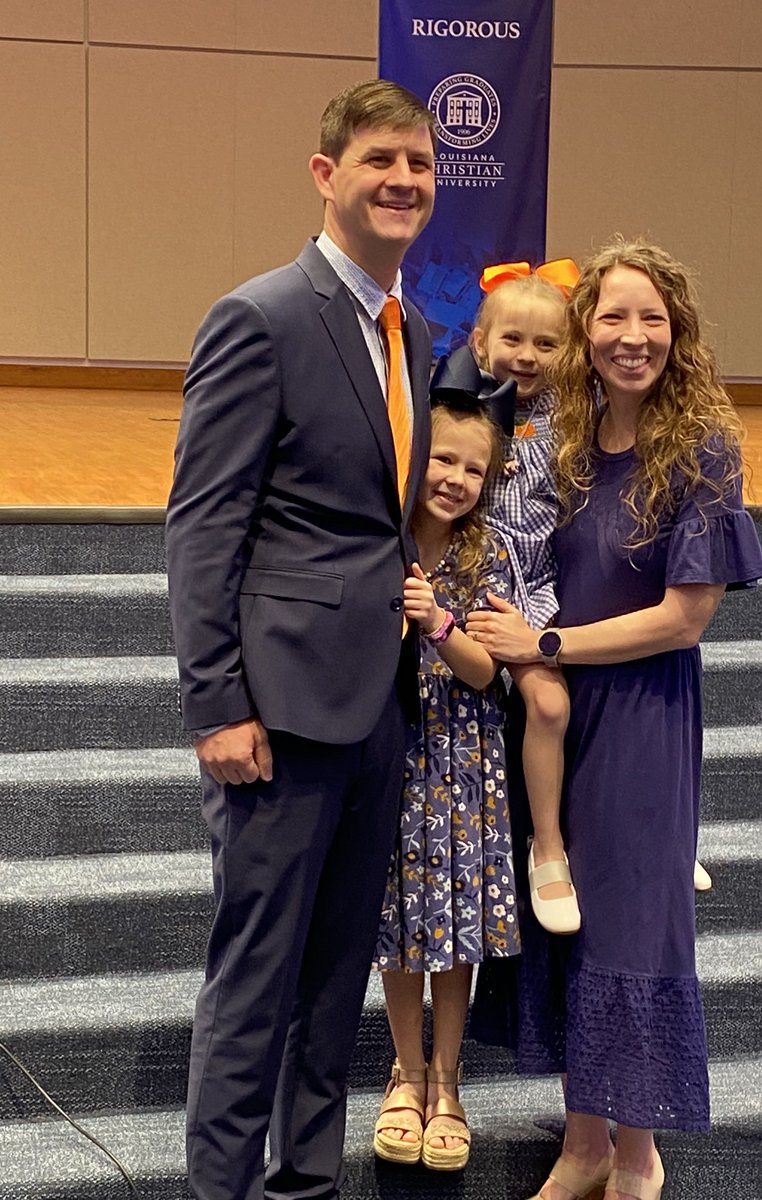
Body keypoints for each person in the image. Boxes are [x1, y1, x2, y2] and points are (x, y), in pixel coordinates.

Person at [165, 79, 436, 1200]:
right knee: (259, 978)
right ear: (327, 174)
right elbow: (204, 524)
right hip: (276, 713)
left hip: (379, 704)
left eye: (421, 164)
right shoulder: (261, 316)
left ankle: (305, 1187)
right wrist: (216, 705)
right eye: (383, 160)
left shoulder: (412, 327)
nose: (405, 181)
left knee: (333, 986)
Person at [468, 237, 762, 1200]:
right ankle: (583, 1142)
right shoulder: (560, 437)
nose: (631, 336)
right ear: (581, 333)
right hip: (560, 716)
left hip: (641, 712)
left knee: (636, 929)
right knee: (574, 930)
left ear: (677, 331)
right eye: (611, 317)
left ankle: (638, 1156)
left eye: (652, 318)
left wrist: (545, 650)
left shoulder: (703, 448)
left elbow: (687, 618)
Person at [372, 387, 518, 1172]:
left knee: (455, 925)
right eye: (442, 458)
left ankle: (449, 1080)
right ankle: (404, 1071)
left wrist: (438, 623)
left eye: (473, 468)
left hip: (461, 761)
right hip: (392, 751)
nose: (456, 478)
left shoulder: (485, 553)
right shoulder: (379, 540)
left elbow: (487, 671)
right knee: (399, 925)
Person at [470, 264, 582, 934]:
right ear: (481, 342)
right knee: (543, 700)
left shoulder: (573, 419)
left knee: (590, 693)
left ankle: (596, 837)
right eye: (513, 338)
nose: (527, 356)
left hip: (545, 585)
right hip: (486, 584)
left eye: (547, 344)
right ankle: (546, 844)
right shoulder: (457, 408)